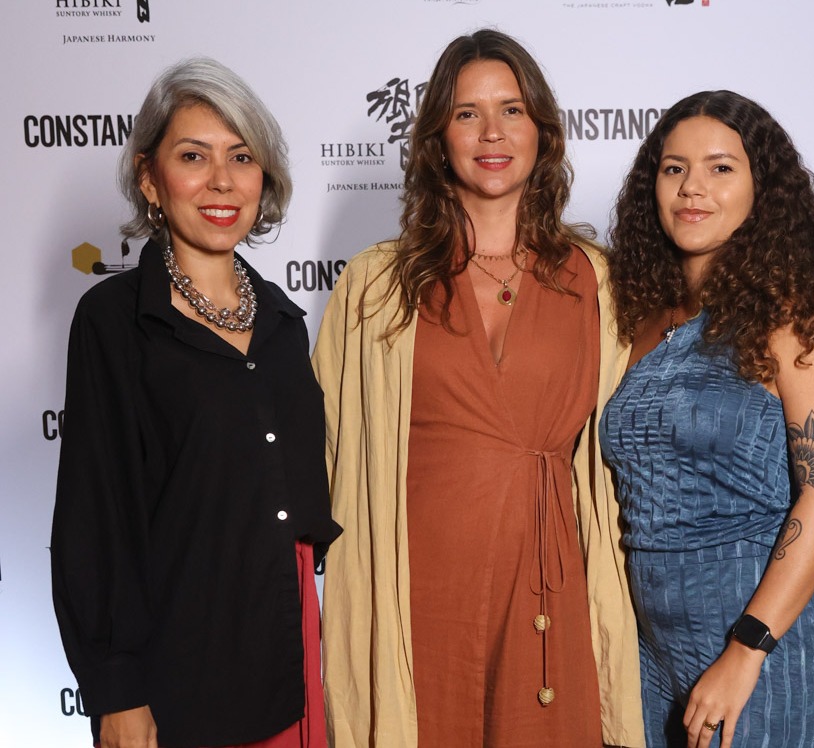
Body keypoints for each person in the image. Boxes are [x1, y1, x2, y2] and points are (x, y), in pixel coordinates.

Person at [311, 28, 643, 748]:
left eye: (512, 110)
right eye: (467, 113)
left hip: (550, 587)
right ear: (438, 137)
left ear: (542, 133)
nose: (492, 132)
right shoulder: (375, 283)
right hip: (419, 591)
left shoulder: (598, 279)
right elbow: (329, 451)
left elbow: (629, 454)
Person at [51, 58, 341, 748]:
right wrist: (116, 691)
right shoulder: (114, 321)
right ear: (151, 177)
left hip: (285, 641)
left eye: (242, 157)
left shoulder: (279, 321)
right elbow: (95, 519)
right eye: (193, 156)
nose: (222, 180)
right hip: (178, 671)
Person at [600, 90, 814, 748]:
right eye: (673, 168)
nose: (693, 188)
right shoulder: (636, 316)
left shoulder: (794, 313)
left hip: (759, 649)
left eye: (720, 168)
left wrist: (746, 651)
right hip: (647, 652)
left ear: (760, 189)